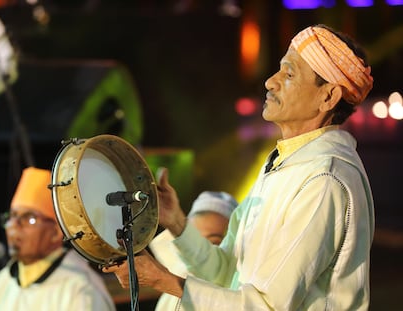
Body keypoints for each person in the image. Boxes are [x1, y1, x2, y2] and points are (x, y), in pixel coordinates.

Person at [104, 24, 375, 310]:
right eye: (280, 69)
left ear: (328, 97)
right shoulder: (286, 164)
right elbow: (227, 273)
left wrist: (163, 281)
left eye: (290, 73)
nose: (271, 81)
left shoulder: (323, 181)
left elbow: (268, 306)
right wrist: (177, 223)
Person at [0, 167, 116, 311]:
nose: (14, 227)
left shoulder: (79, 289)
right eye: (12, 216)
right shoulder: (4, 281)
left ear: (56, 232)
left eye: (29, 219)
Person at [149, 191, 238, 310]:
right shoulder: (169, 293)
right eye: (195, 240)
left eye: (214, 243)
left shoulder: (233, 295)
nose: (201, 252)